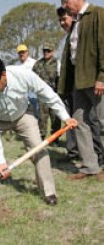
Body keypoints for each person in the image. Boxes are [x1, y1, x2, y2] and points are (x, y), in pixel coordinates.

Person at [0, 54, 77, 205]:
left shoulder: (22, 74)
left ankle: (48, 192)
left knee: (38, 147)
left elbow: (47, 94)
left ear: (3, 75)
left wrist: (65, 117)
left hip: (23, 115)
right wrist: (1, 162)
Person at [59, 0, 104, 180]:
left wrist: (102, 76)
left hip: (96, 81)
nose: (65, 6)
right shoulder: (76, 22)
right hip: (79, 82)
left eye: (66, 2)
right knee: (79, 123)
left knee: (102, 121)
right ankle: (89, 167)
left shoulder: (98, 14)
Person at [32, 43, 61, 143]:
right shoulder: (38, 64)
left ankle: (55, 139)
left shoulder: (57, 63)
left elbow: (60, 78)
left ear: (52, 51)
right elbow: (32, 76)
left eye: (48, 51)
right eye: (44, 50)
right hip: (42, 94)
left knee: (55, 117)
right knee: (42, 117)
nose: (46, 52)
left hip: (54, 94)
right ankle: (41, 137)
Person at [16, 44, 39, 120]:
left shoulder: (34, 63)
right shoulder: (17, 65)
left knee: (36, 112)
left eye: (23, 52)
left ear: (27, 52)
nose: (21, 54)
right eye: (20, 52)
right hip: (22, 93)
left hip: (33, 91)